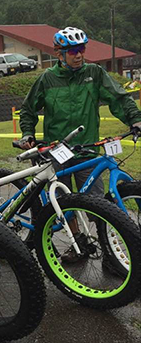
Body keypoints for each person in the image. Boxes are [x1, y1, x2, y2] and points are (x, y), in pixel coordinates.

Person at [19, 26, 141, 262]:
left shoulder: (94, 73)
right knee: (65, 204)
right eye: (73, 50)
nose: (79, 54)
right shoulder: (47, 79)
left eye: (82, 49)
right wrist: (27, 133)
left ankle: (109, 253)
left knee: (98, 206)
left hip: (87, 150)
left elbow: (118, 98)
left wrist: (135, 119)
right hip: (58, 151)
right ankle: (79, 243)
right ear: (59, 54)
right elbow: (28, 109)